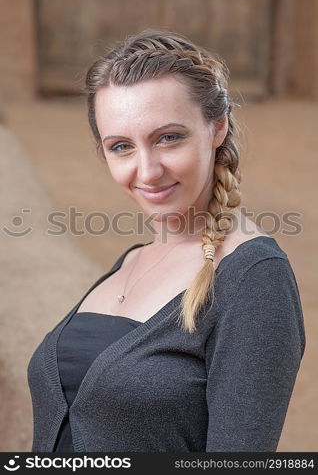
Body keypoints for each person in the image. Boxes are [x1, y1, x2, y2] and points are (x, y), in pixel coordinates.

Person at [27, 29, 305, 452]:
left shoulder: (253, 277)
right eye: (121, 146)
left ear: (217, 128)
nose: (148, 170)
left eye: (169, 137)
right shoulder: (131, 260)